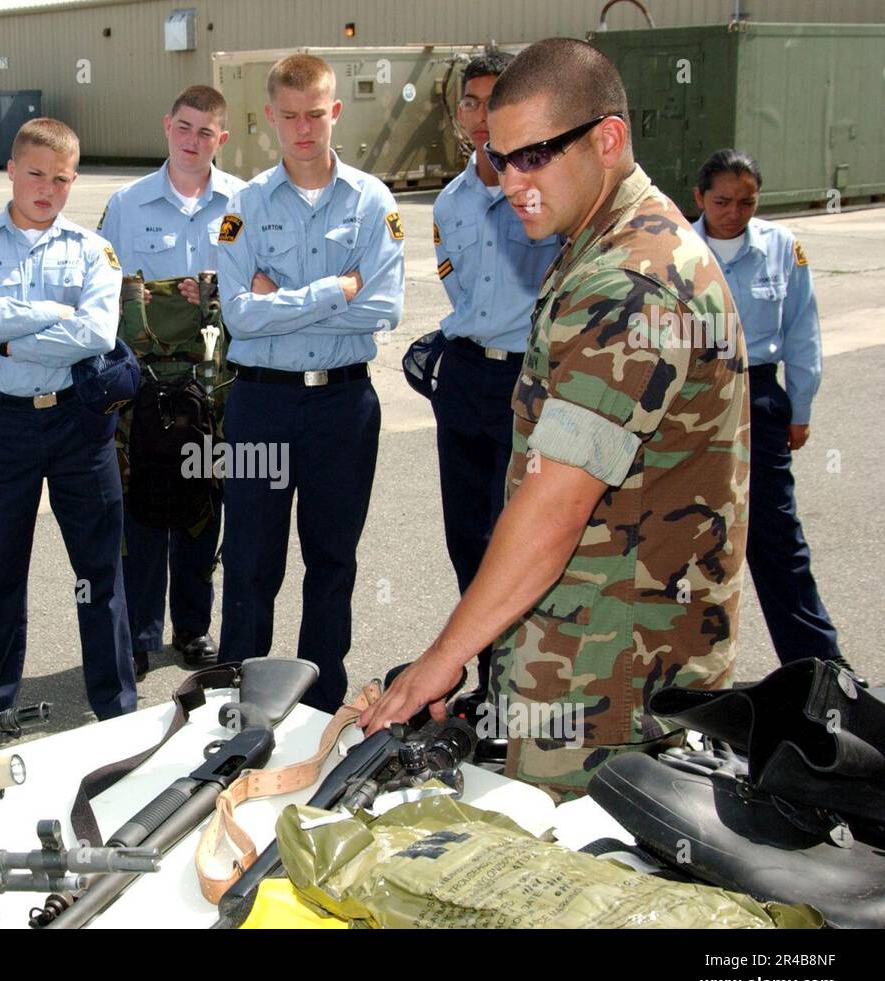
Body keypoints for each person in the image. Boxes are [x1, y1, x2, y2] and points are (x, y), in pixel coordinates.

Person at [362, 38, 750, 800]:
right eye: (499, 159)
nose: (511, 182)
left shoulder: (629, 282)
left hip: (611, 686)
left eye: (533, 156)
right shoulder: (605, 243)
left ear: (606, 139)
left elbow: (555, 506)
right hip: (594, 656)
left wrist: (440, 661)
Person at [217, 54, 405, 713]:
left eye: (315, 115)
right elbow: (238, 311)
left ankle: (320, 703)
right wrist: (333, 289)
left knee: (332, 561)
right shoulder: (240, 205)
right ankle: (237, 700)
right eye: (290, 116)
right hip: (259, 402)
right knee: (248, 563)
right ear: (270, 117)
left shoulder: (373, 202)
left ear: (335, 113)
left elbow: (384, 308)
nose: (303, 129)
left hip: (342, 403)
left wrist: (283, 297)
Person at [0, 118, 135, 718]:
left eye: (60, 178)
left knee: (100, 572)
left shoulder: (94, 250)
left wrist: (5, 338)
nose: (46, 189)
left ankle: (114, 703)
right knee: (0, 570)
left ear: (73, 180)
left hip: (80, 424)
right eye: (34, 174)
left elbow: (97, 332)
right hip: (2, 426)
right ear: (11, 170)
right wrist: (52, 313)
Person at [97, 85, 245, 677]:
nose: (192, 141)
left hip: (213, 386)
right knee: (139, 505)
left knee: (202, 504)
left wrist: (217, 291)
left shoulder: (243, 203)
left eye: (206, 132)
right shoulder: (126, 204)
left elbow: (262, 284)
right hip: (142, 389)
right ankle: (138, 630)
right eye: (184, 127)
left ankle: (193, 627)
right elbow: (101, 292)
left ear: (222, 139)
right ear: (166, 126)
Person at [429, 48, 562, 698]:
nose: (483, 118)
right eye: (473, 103)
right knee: (466, 535)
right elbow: (458, 289)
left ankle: (523, 685)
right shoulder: (449, 203)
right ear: (461, 114)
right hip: (463, 380)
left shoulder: (541, 194)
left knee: (519, 536)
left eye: (496, 102)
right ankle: (489, 680)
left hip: (526, 383)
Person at [692, 149, 852, 672]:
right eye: (722, 201)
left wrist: (799, 408)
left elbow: (802, 333)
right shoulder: (677, 250)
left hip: (759, 399)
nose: (734, 212)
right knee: (685, 538)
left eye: (746, 202)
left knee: (777, 539)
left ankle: (819, 669)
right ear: (699, 198)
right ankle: (679, 682)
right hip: (690, 400)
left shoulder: (783, 249)